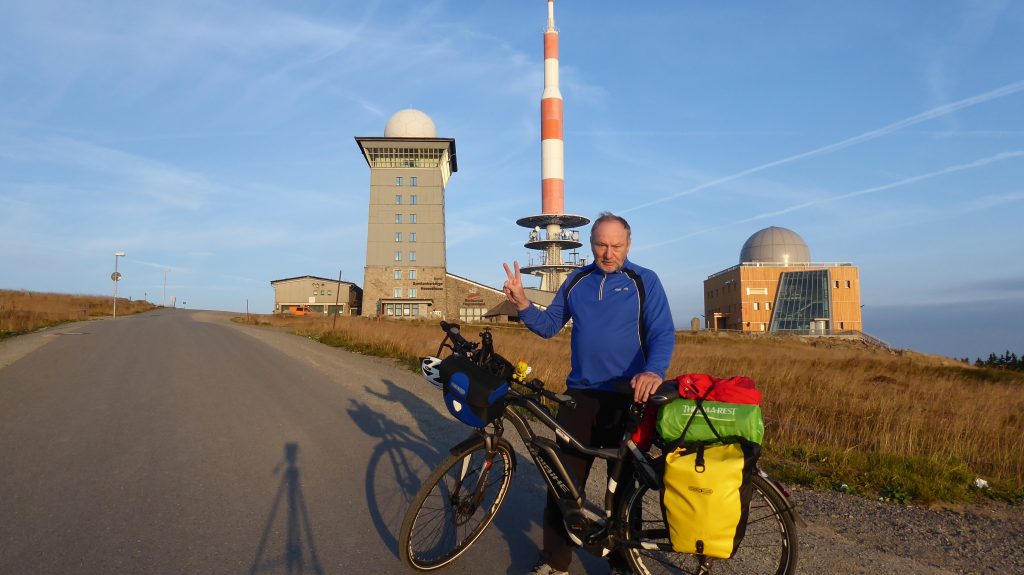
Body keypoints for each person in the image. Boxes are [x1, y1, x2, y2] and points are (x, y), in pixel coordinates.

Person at [502, 212, 675, 575]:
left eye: (616, 245)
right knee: (562, 481)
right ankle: (555, 562)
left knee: (625, 489)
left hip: (628, 400)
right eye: (601, 245)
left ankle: (625, 564)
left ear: (629, 245)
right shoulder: (578, 280)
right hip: (579, 397)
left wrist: (653, 371)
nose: (608, 253)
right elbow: (550, 326)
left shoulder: (645, 281)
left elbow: (661, 333)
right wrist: (521, 303)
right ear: (591, 243)